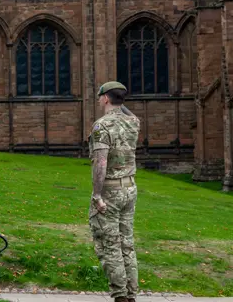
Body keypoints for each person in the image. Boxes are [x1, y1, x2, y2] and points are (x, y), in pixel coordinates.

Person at [88, 81, 141, 302]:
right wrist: (121, 102)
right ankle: (131, 294)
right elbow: (133, 115)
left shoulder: (102, 126)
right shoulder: (133, 123)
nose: (99, 100)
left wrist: (97, 195)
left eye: (101, 97)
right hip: (130, 188)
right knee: (126, 243)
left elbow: (100, 163)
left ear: (106, 98)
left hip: (109, 190)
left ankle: (120, 296)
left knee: (110, 246)